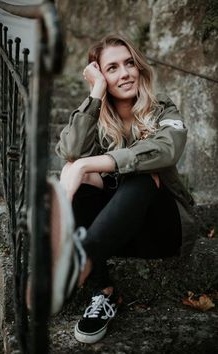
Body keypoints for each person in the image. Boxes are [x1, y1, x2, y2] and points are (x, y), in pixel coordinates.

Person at [54, 34, 195, 344]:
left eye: (129, 63)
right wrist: (95, 94)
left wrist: (89, 165)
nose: (125, 73)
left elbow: (166, 152)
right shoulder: (98, 115)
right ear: (101, 75)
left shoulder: (163, 110)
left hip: (162, 232)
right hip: (114, 233)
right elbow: (71, 151)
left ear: (140, 68)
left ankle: (82, 260)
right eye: (112, 68)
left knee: (144, 176)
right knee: (72, 169)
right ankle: (102, 292)